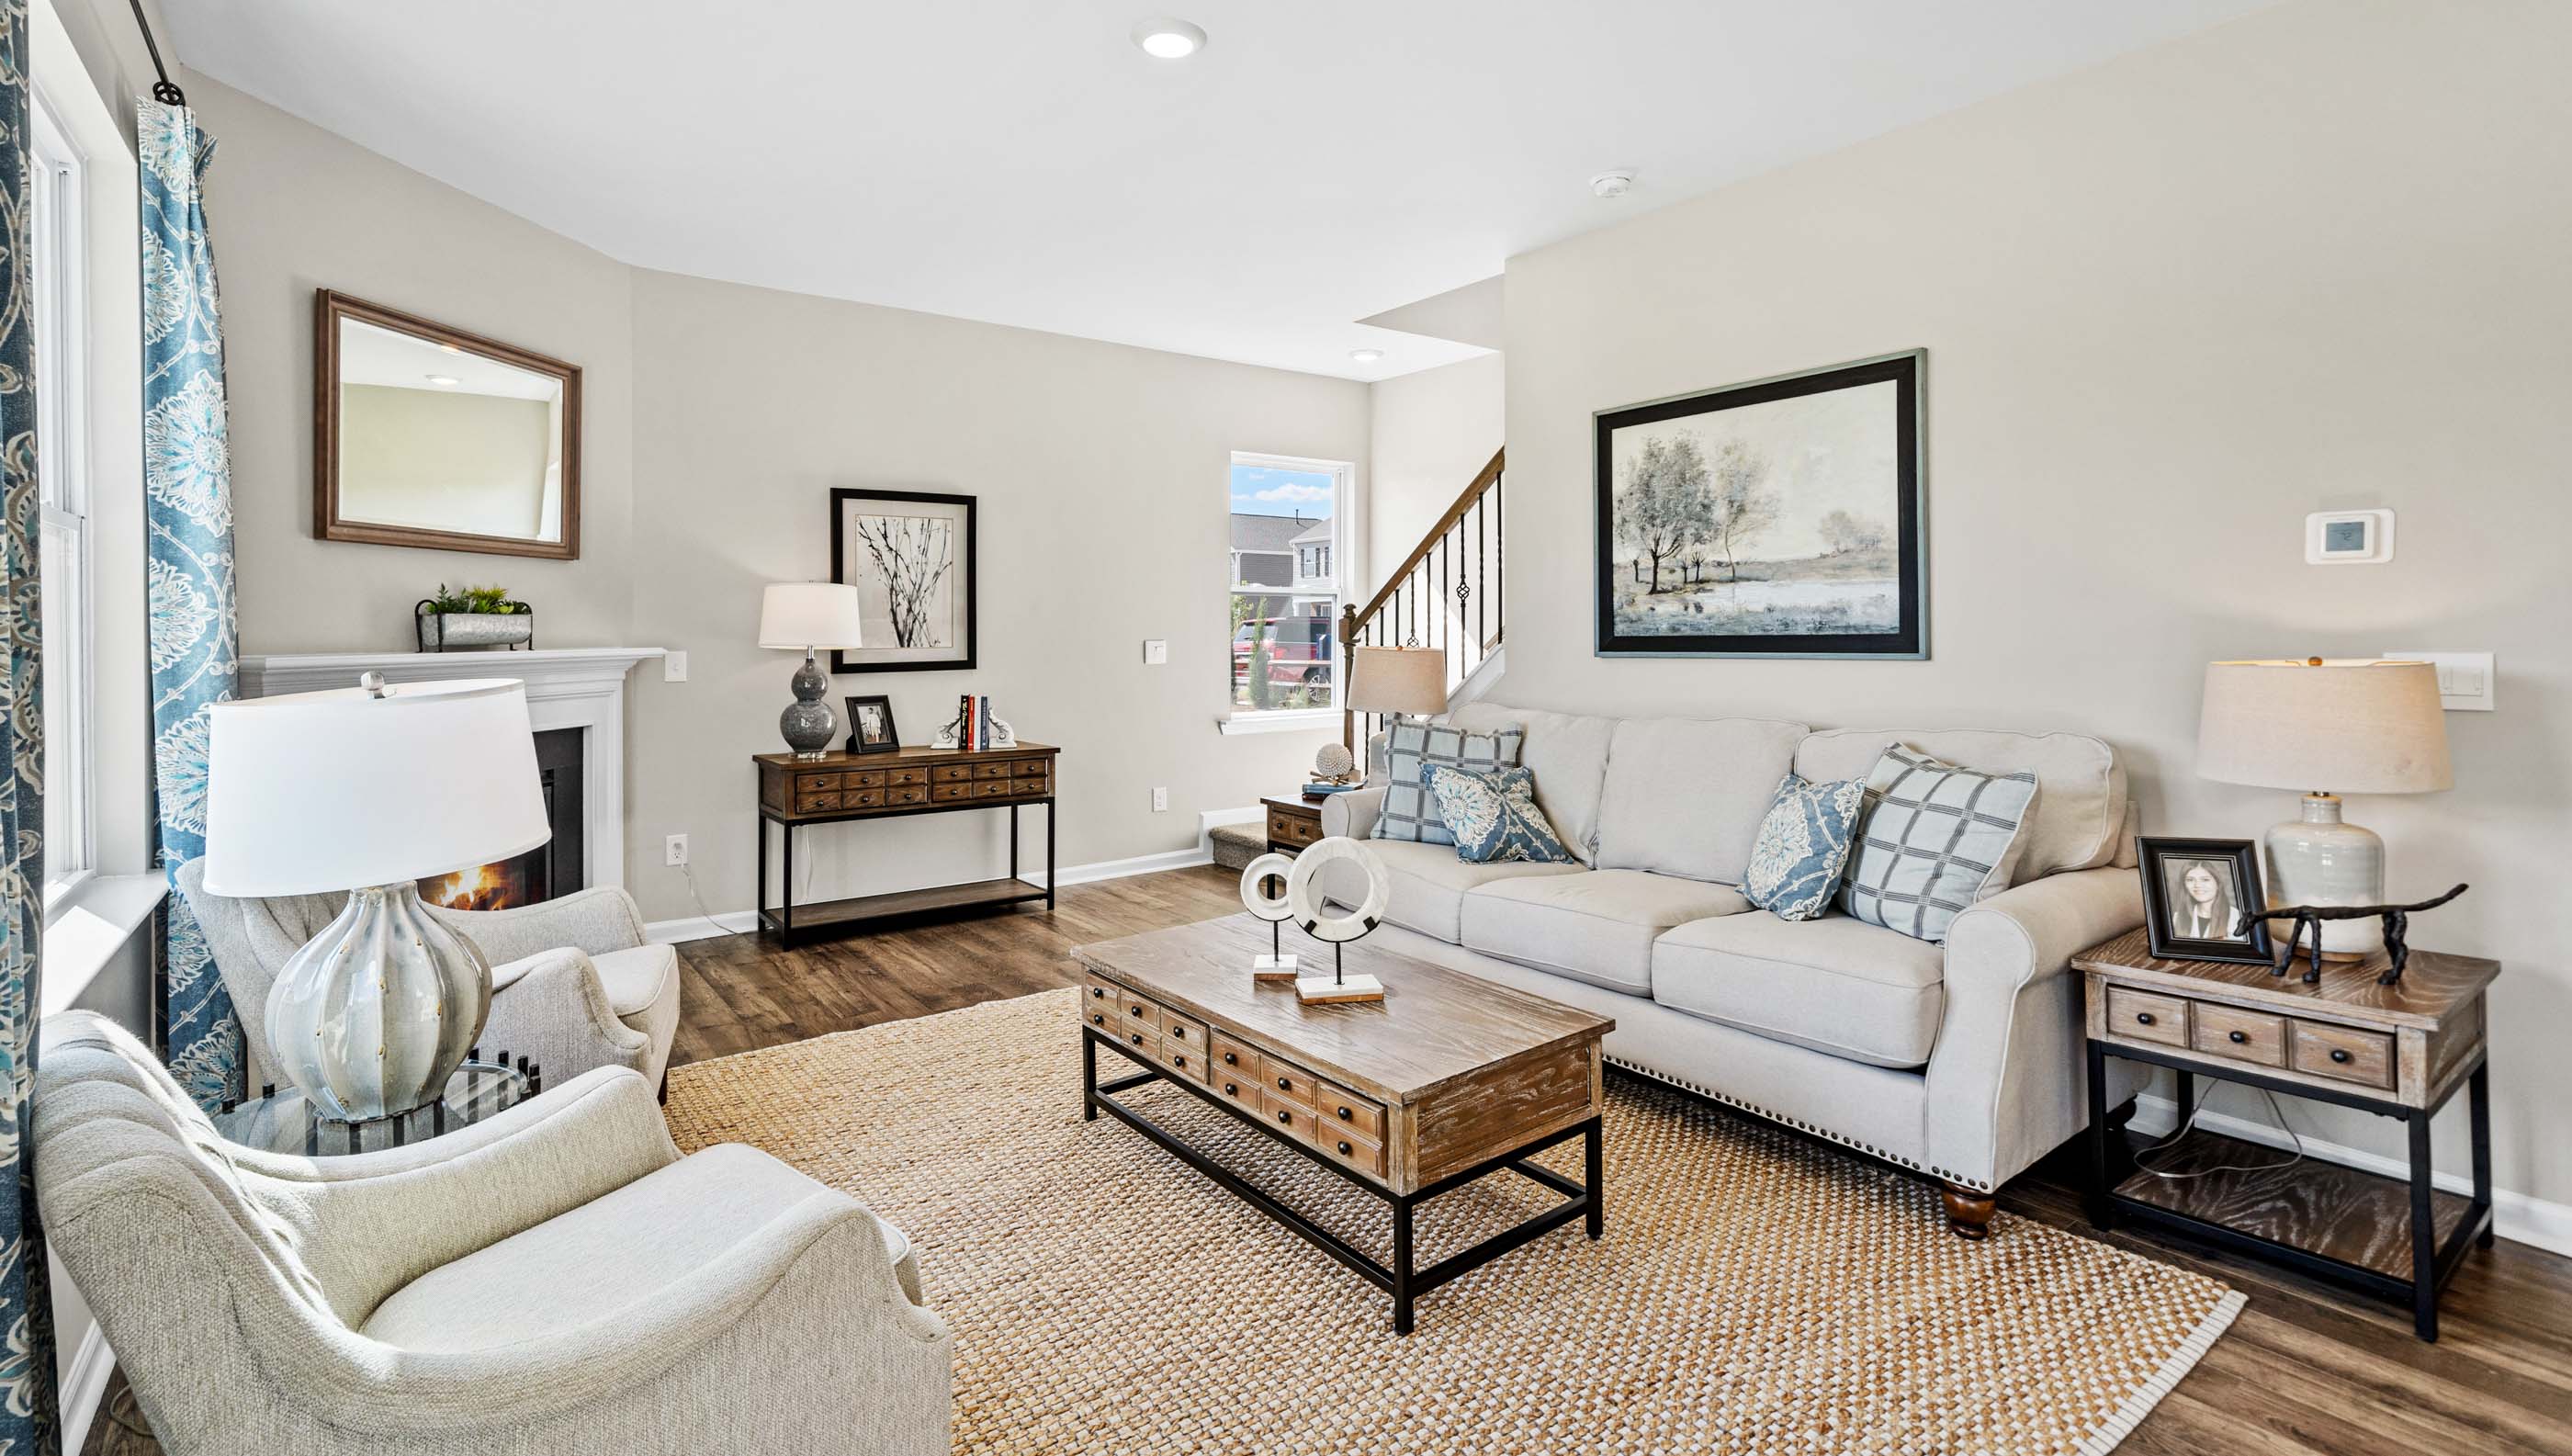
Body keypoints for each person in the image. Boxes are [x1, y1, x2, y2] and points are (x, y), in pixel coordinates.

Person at [2172, 860, 2238, 941]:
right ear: (2184, 885)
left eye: (2205, 880)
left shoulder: (2236, 917)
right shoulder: (2177, 918)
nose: (2197, 885)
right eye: (2190, 880)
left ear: (2218, 883)